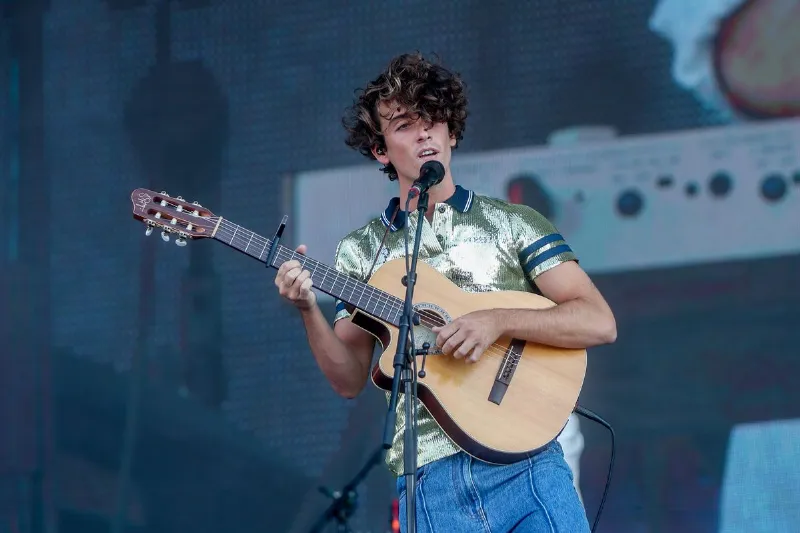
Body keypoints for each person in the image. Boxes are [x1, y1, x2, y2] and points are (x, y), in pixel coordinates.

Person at [274, 53, 617, 533]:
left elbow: (598, 321)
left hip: (530, 461)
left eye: (433, 119)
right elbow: (349, 379)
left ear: (451, 132)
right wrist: (308, 309)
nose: (424, 135)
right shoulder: (361, 250)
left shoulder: (512, 223)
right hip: (428, 479)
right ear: (379, 150)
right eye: (404, 125)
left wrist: (497, 319)